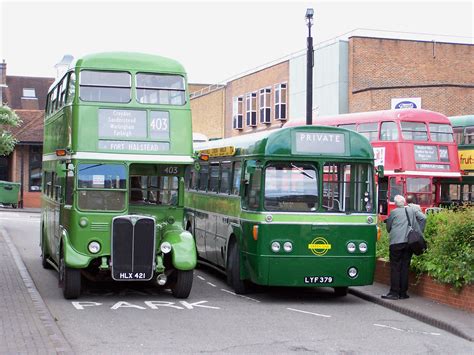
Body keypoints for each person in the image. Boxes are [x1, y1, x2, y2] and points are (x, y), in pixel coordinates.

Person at [382, 195, 426, 300]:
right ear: (404, 202)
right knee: (405, 267)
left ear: (396, 204)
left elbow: (388, 228)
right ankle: (403, 293)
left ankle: (394, 293)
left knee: (395, 267)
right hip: (408, 243)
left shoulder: (393, 212)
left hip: (396, 243)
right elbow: (423, 218)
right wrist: (419, 233)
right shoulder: (411, 211)